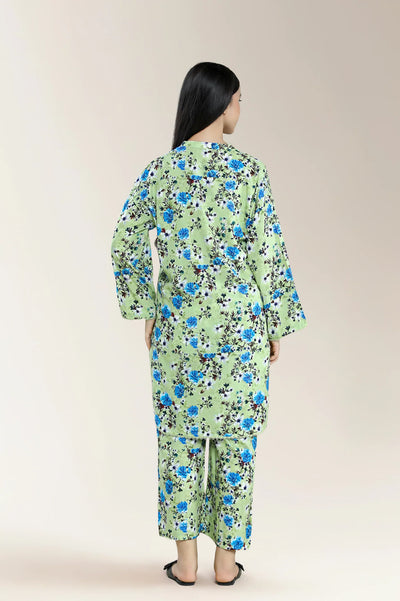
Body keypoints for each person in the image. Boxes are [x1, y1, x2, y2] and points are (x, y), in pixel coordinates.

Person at [110, 61, 307, 586]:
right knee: (236, 444)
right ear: (222, 103)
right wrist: (275, 323)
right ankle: (225, 564)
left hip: (178, 334)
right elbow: (268, 254)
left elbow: (125, 242)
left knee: (180, 443)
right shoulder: (249, 173)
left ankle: (185, 564)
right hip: (241, 333)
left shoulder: (160, 172)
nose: (241, 107)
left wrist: (147, 307)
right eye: (239, 98)